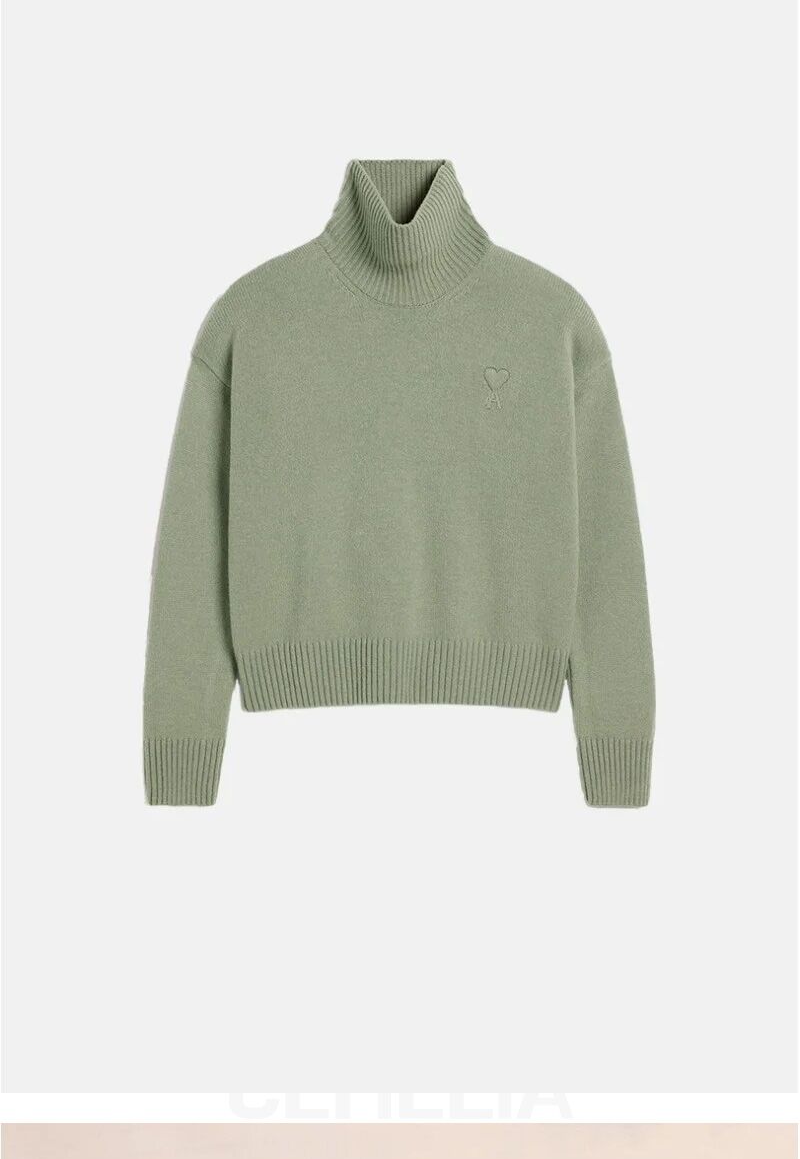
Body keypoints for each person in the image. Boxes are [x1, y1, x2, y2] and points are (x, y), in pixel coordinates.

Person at [142, 156, 655, 810]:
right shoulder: (252, 318)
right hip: (289, 772)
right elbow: (193, 551)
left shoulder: (553, 322)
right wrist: (182, 758)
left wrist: (616, 753)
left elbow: (608, 557)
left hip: (514, 770)